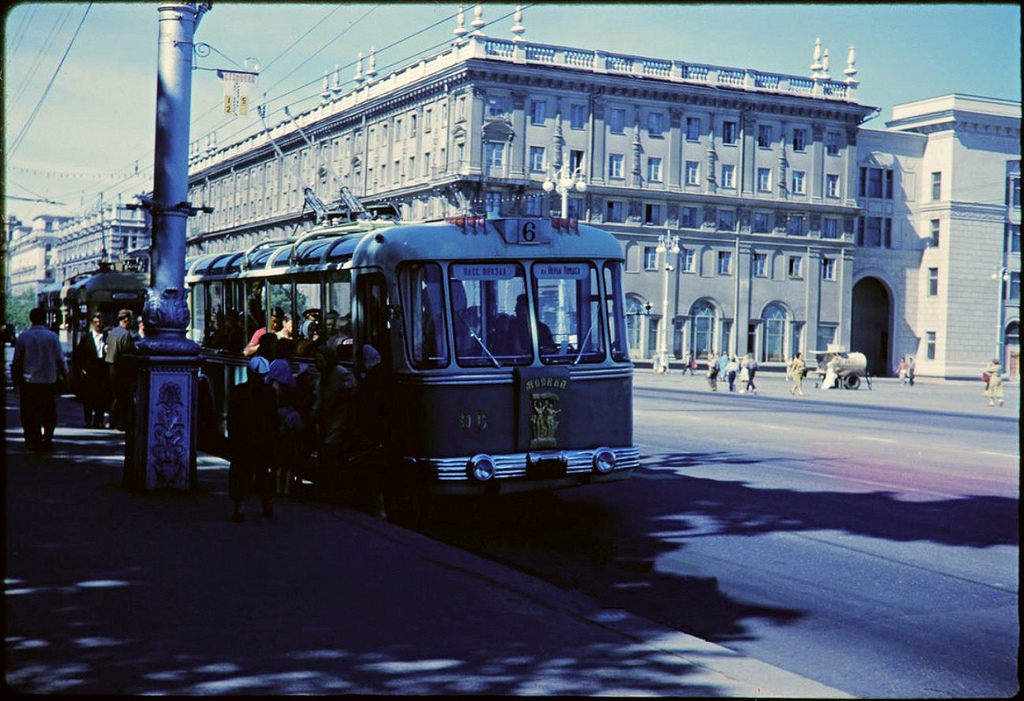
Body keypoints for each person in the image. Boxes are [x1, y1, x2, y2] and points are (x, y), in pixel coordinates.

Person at [11, 307, 71, 451]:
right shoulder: (53, 337)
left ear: (31, 319)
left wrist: (16, 383)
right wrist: (67, 378)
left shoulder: (24, 337)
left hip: (30, 382)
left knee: (29, 413)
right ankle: (47, 438)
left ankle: (33, 440)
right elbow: (61, 360)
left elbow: (16, 362)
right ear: (44, 319)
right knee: (49, 413)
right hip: (49, 382)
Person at [228, 355, 279, 522]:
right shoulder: (270, 393)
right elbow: (273, 420)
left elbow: (232, 418)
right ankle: (267, 503)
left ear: (248, 372)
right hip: (263, 440)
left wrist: (233, 437)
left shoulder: (238, 391)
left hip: (243, 439)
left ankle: (240, 507)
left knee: (240, 473)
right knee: (263, 472)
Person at [266, 358, 304, 495]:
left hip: (275, 433)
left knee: (276, 463)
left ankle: (276, 487)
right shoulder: (292, 412)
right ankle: (286, 489)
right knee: (287, 464)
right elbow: (300, 427)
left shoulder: (270, 385)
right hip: (289, 437)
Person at [73, 313, 111, 427]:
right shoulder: (86, 338)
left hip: (102, 369)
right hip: (89, 370)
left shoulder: (106, 337)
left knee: (101, 397)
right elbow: (78, 355)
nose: (98, 324)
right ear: (92, 324)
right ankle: (88, 420)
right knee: (88, 398)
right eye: (95, 322)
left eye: (100, 322)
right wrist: (81, 369)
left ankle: (98, 420)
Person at [105, 308, 136, 431]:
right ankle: (118, 422)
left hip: (111, 366)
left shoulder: (112, 332)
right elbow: (127, 354)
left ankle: (114, 421)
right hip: (121, 368)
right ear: (126, 319)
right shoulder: (126, 334)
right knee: (123, 396)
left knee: (117, 395)